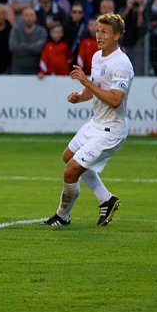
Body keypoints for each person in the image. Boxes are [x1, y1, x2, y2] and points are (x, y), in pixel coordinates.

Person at [44, 12, 132, 228]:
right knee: (68, 157)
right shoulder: (97, 56)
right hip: (96, 124)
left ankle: (62, 216)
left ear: (117, 35)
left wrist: (85, 82)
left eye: (105, 32)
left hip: (111, 130)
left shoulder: (122, 63)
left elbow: (115, 100)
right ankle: (106, 199)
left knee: (71, 171)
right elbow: (95, 87)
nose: (99, 36)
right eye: (98, 31)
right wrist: (80, 96)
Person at [9, 8, 47, 75]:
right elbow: (12, 47)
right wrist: (33, 45)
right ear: (22, 17)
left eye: (31, 15)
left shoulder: (41, 31)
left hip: (36, 70)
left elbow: (39, 49)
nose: (29, 18)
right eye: (26, 15)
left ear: (35, 18)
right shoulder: (15, 30)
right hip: (17, 69)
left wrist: (21, 45)